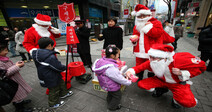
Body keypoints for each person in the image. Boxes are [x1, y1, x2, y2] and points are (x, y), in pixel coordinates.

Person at [125, 44, 206, 108]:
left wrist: (182, 73)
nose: (151, 60)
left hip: (176, 83)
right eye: (150, 57)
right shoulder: (152, 61)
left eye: (154, 58)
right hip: (160, 80)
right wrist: (129, 71)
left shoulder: (178, 60)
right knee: (141, 84)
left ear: (164, 58)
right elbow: (139, 67)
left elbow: (201, 67)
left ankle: (176, 98)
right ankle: (162, 89)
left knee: (188, 102)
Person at [31, 37, 73, 108]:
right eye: (53, 45)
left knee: (61, 83)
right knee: (54, 90)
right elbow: (57, 66)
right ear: (49, 45)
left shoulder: (38, 53)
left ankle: (64, 94)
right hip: (50, 77)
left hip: (51, 74)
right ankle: (53, 104)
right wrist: (65, 67)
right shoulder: (49, 57)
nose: (53, 47)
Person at [129, 4, 165, 80]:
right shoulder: (136, 25)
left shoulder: (156, 23)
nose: (142, 18)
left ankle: (151, 81)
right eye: (139, 16)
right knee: (139, 66)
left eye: (144, 15)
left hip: (152, 51)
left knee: (152, 67)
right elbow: (135, 35)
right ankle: (139, 79)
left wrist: (148, 27)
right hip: (139, 50)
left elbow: (157, 34)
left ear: (148, 15)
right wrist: (134, 40)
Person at [92, 45, 132, 111]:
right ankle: (112, 107)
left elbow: (113, 75)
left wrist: (119, 73)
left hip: (107, 84)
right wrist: (128, 82)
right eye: (118, 54)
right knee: (117, 96)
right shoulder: (110, 67)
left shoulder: (103, 61)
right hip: (112, 85)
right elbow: (118, 78)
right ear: (112, 56)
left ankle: (109, 101)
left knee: (110, 93)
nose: (118, 56)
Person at [0, 44, 33, 112]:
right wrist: (16, 66)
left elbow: (9, 68)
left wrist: (15, 64)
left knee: (19, 93)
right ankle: (20, 108)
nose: (7, 51)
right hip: (11, 81)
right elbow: (4, 73)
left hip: (15, 79)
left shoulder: (4, 58)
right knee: (16, 94)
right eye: (5, 50)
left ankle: (21, 102)